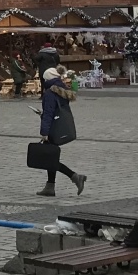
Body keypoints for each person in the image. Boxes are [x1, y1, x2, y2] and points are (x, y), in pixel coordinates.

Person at [35, 67, 86, 196]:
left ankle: (74, 177)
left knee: (49, 158)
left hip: (52, 128)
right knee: (50, 157)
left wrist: (44, 132)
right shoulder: (62, 90)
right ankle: (50, 186)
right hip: (59, 126)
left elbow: (48, 114)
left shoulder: (49, 93)